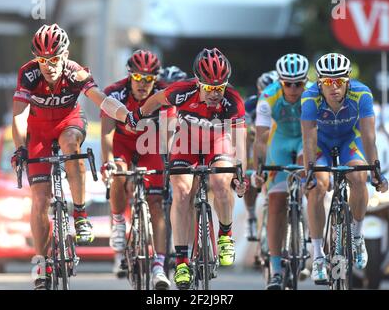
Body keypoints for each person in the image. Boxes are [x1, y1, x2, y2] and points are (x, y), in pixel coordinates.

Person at [107, 48, 248, 289]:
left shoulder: (232, 100)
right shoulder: (182, 91)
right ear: (198, 82)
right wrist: (136, 116)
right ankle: (182, 261)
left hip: (217, 142)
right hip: (187, 143)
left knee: (221, 182)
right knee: (181, 194)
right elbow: (155, 100)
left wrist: (239, 173)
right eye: (209, 88)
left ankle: (225, 235)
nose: (215, 94)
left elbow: (240, 139)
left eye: (220, 87)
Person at [11, 23, 129, 290]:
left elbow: (100, 99)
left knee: (71, 147)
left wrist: (125, 114)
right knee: (40, 199)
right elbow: (19, 115)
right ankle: (40, 261)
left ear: (64, 55)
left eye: (54, 59)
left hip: (68, 123)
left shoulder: (76, 73)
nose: (48, 66)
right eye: (42, 60)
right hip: (39, 131)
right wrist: (20, 148)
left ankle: (79, 213)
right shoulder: (28, 74)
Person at [300, 53, 388, 284]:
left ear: (348, 80)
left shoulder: (362, 93)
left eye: (339, 81)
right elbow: (308, 139)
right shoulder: (309, 98)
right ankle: (318, 254)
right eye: (328, 81)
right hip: (321, 143)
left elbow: (369, 137)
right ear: (319, 82)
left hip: (351, 140)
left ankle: (357, 235)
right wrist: (309, 171)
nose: (334, 87)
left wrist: (375, 170)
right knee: (319, 185)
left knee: (359, 177)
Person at [100, 49, 172, 289]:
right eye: (138, 78)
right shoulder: (114, 93)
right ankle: (119, 222)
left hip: (150, 145)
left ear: (156, 79)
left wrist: (171, 163)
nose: (143, 84)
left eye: (149, 79)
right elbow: (107, 133)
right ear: (130, 76)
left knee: (156, 204)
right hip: (122, 143)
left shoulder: (165, 94)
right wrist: (108, 162)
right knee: (118, 173)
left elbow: (170, 134)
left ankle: (160, 266)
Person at [252, 54, 310, 289]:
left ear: (306, 81)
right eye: (288, 83)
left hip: (306, 140)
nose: (294, 89)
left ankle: (313, 240)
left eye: (299, 83)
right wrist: (259, 168)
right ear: (280, 82)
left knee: (311, 183)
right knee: (276, 200)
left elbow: (316, 131)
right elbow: (262, 138)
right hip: (281, 140)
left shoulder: (314, 94)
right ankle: (276, 267)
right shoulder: (268, 97)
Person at [244, 70, 278, 241]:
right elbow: (244, 135)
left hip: (277, 144)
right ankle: (251, 217)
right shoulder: (250, 105)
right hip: (256, 143)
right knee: (250, 176)